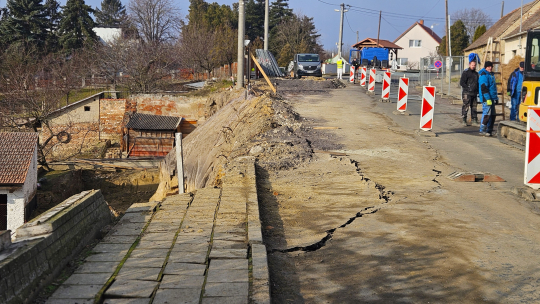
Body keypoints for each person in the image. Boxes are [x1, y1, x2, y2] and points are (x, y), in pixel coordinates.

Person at [478, 61, 499, 136]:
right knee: (487, 114)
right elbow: (484, 88)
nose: (490, 68)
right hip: (486, 98)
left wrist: (495, 98)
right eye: (488, 66)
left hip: (491, 98)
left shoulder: (491, 75)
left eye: (491, 66)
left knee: (493, 115)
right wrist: (488, 99)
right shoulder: (484, 76)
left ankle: (489, 130)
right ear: (485, 67)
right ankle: (482, 130)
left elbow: (493, 88)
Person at [459, 60, 479, 126]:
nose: (473, 66)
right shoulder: (466, 73)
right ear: (469, 65)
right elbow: (462, 82)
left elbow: (477, 83)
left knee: (474, 107)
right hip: (467, 93)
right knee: (466, 107)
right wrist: (467, 88)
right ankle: (464, 120)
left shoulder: (476, 74)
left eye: (474, 65)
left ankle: (474, 120)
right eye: (472, 65)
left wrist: (478, 91)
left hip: (474, 93)